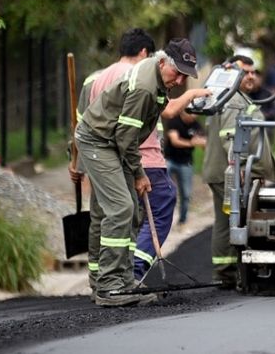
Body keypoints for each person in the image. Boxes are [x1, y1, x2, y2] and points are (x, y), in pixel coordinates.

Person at [75, 35, 209, 306]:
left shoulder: (159, 80)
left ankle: (124, 282)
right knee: (121, 207)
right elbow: (126, 136)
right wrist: (139, 173)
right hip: (97, 141)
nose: (180, 81)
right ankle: (109, 287)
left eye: (186, 76)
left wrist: (137, 173)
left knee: (133, 211)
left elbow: (128, 137)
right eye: (178, 73)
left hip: (114, 143)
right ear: (162, 62)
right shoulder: (146, 87)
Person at [202, 54, 275, 288]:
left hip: (224, 169)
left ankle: (224, 271)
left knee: (225, 220)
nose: (250, 76)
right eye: (244, 71)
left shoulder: (232, 96)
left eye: (252, 72)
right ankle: (226, 273)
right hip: (230, 170)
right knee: (231, 220)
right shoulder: (234, 99)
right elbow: (230, 135)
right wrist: (237, 165)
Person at [164, 111, 206, 225]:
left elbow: (204, 142)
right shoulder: (174, 121)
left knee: (186, 193)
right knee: (162, 188)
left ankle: (182, 220)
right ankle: (160, 216)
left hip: (186, 162)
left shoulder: (196, 125)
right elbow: (175, 141)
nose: (193, 116)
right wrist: (192, 143)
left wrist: (202, 143)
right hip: (170, 159)